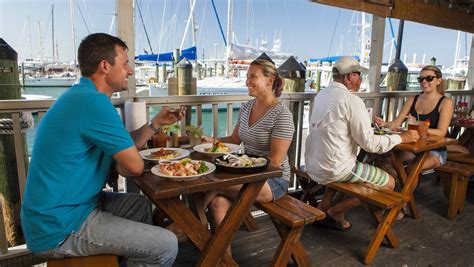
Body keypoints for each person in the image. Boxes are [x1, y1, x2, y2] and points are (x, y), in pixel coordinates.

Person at [20, 33, 181, 267]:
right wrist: (123, 163)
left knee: (137, 205)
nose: (130, 71)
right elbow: (135, 167)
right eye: (125, 63)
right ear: (105, 66)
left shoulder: (82, 96)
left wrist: (154, 124)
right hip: (59, 224)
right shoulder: (93, 103)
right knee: (166, 245)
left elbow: (126, 144)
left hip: (68, 207)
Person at [304, 56, 419, 231]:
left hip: (314, 165)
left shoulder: (322, 95)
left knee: (352, 168)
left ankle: (324, 207)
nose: (361, 79)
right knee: (389, 182)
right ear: (350, 76)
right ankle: (337, 210)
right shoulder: (352, 100)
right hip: (335, 169)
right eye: (359, 75)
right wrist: (402, 138)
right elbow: (370, 144)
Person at [202, 58, 295, 253]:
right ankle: (223, 259)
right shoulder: (246, 107)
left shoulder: (282, 115)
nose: (247, 82)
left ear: (269, 81)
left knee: (210, 186)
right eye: (247, 77)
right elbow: (234, 139)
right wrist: (211, 141)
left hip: (273, 180)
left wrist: (242, 168)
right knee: (217, 203)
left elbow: (276, 162)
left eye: (253, 77)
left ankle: (189, 224)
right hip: (246, 174)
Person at [374, 65, 454, 172]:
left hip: (434, 150)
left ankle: (402, 186)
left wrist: (417, 127)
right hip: (413, 147)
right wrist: (384, 124)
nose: (424, 81)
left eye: (429, 78)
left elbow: (441, 132)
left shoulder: (446, 102)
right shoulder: (412, 99)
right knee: (385, 159)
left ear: (438, 81)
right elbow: (396, 123)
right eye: (420, 79)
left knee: (413, 167)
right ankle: (393, 186)